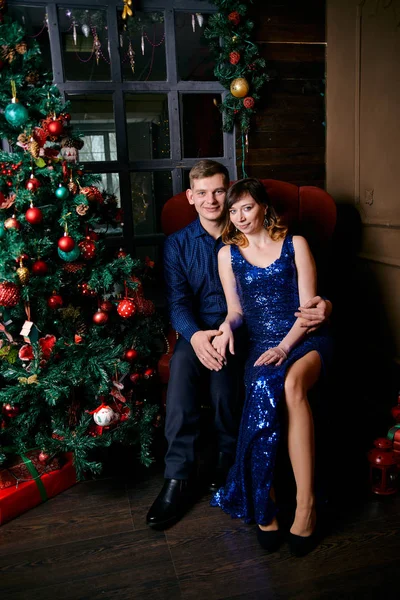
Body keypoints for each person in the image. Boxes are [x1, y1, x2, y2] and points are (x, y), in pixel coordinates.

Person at [146, 161, 331, 531]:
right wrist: (197, 335)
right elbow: (180, 303)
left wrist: (325, 306)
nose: (212, 200)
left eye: (220, 192)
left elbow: (303, 299)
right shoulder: (182, 245)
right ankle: (177, 477)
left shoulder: (272, 241)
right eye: (203, 193)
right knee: (182, 368)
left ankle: (228, 466)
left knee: (225, 387)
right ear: (191, 198)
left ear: (235, 194)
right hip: (204, 330)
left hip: (253, 336)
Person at [210, 177, 333, 556]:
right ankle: (265, 503)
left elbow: (310, 311)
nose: (240, 217)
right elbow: (235, 312)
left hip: (304, 339)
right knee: (264, 386)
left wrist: (285, 346)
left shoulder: (296, 245)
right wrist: (224, 329)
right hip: (263, 346)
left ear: (263, 206)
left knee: (293, 385)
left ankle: (306, 506)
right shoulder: (227, 254)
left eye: (246, 207)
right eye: (233, 211)